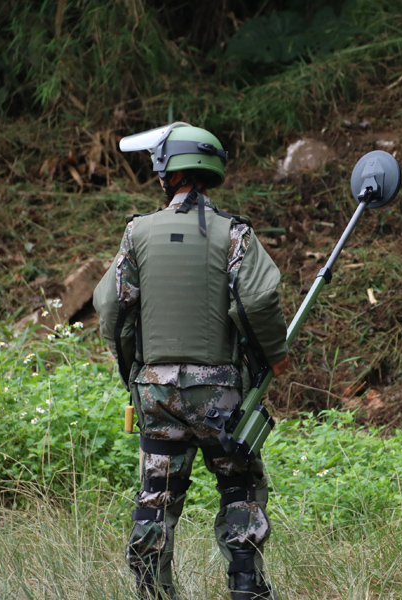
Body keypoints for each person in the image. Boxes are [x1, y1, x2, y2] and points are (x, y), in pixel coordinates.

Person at [93, 123, 289, 600]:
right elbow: (259, 300)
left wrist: (134, 373)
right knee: (240, 489)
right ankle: (246, 589)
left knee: (156, 495)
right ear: (210, 172)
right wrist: (273, 357)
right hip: (219, 395)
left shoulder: (137, 232)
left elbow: (111, 307)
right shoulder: (234, 233)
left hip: (155, 394)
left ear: (165, 173)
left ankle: (152, 591)